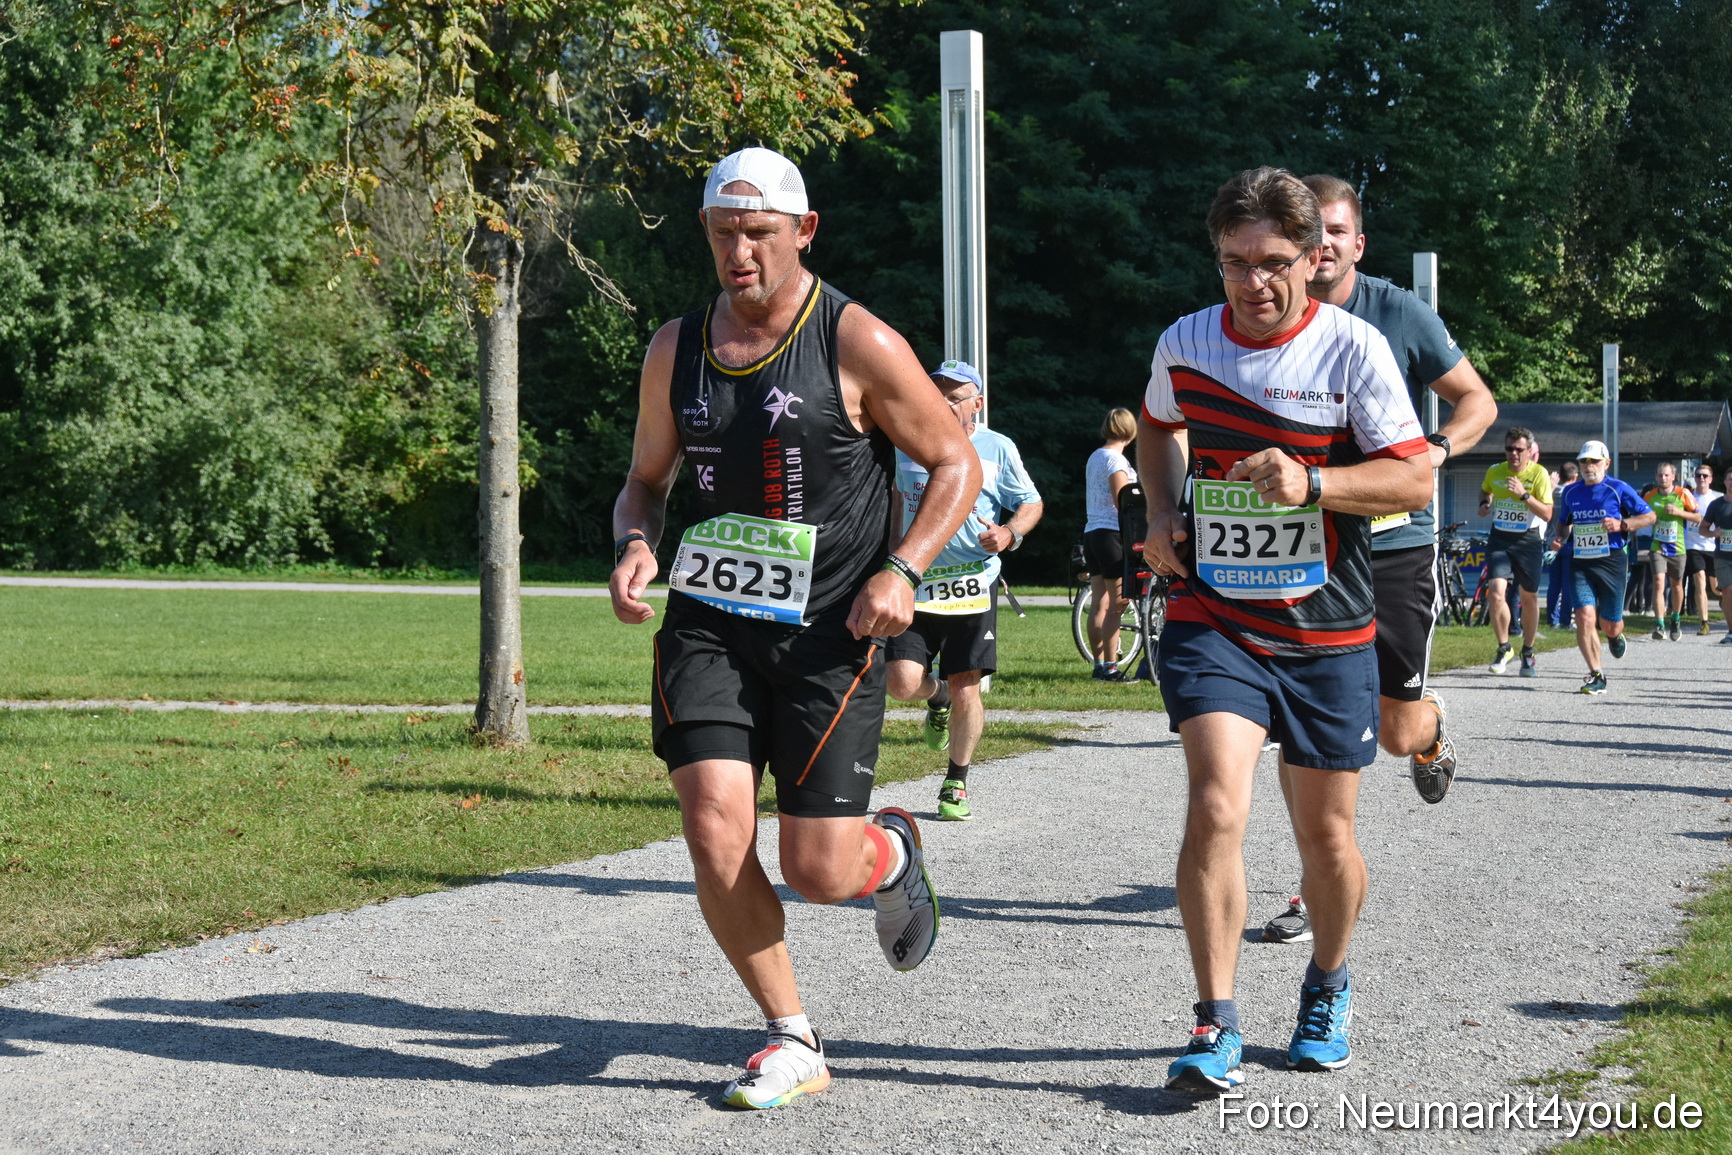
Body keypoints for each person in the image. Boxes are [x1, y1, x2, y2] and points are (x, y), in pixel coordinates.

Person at [608, 147, 982, 1110]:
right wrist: (635, 546)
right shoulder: (674, 347)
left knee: (818, 868)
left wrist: (904, 572)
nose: (740, 252)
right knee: (712, 823)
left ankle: (891, 851)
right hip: (709, 622)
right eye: (725, 232)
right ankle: (791, 1035)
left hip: (832, 630)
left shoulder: (856, 340)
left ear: (803, 232)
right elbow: (645, 483)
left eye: (760, 233)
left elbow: (954, 464)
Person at [1139, 167, 1432, 1093]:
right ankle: (1214, 1018)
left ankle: (1327, 983)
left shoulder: (1353, 351)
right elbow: (1157, 426)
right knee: (1217, 803)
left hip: (1327, 627)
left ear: (1313, 258)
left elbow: (1415, 477)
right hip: (1215, 613)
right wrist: (1157, 515)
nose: (1253, 283)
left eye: (1272, 263)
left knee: (1327, 840)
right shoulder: (1186, 341)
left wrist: (1318, 484)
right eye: (1234, 263)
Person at [886, 360, 1043, 821]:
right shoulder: (906, 440)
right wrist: (893, 554)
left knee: (967, 688)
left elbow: (1030, 502)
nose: (946, 402)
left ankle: (956, 780)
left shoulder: (997, 447)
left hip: (974, 583)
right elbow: (895, 499)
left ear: (978, 403)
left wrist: (1011, 534)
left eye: (957, 396)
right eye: (940, 393)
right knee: (901, 682)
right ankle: (933, 698)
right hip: (915, 580)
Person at [1548, 441, 1654, 693]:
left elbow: (1650, 516)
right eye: (1584, 461)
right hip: (1580, 562)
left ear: (1606, 463)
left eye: (1594, 461)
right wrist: (1560, 537)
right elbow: (1564, 523)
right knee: (1584, 616)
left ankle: (1615, 636)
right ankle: (1597, 674)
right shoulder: (1571, 493)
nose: (1588, 466)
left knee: (1610, 624)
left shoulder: (1619, 489)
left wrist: (1623, 525)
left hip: (1612, 561)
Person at [1477, 426, 1554, 676]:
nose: (1514, 454)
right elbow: (1486, 489)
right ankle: (1504, 647)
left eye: (1519, 449)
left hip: (1528, 541)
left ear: (1530, 451)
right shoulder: (1495, 471)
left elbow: (1547, 513)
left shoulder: (1539, 474)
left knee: (1528, 597)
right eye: (1509, 449)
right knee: (1496, 594)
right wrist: (1484, 503)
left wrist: (1523, 495)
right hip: (1500, 539)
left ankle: (1528, 652)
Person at [1083, 408, 1139, 680]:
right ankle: (1111, 666)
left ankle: (1098, 664)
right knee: (1118, 603)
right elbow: (1123, 502)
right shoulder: (1116, 461)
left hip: (1092, 532)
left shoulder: (1095, 456)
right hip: (1112, 534)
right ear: (1130, 431)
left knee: (1099, 603)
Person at [1643, 463, 1699, 640]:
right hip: (1657, 547)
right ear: (1656, 476)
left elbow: (1698, 517)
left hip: (1678, 548)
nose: (1663, 478)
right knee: (1659, 582)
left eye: (1666, 475)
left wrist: (1678, 512)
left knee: (1676, 586)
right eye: (1660, 475)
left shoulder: (1683, 494)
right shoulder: (1650, 496)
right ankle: (1659, 624)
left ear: (1673, 477)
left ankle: (1675, 619)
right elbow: (1641, 516)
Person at [1683, 463, 1720, 635]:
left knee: (1716, 588)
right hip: (1693, 546)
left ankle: (1725, 606)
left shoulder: (1716, 499)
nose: (1701, 478)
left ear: (1711, 479)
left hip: (1712, 547)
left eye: (1705, 476)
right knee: (1699, 581)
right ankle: (1704, 622)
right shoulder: (1686, 497)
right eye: (1698, 475)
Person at [1546, 461, 1580, 629]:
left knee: (1554, 584)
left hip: (1550, 542)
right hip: (1567, 541)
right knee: (1568, 584)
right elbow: (1571, 519)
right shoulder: (1572, 493)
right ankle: (1565, 621)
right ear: (1575, 477)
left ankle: (1552, 620)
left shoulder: (1551, 491)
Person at [1700, 467, 1732, 644]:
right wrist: (1713, 534)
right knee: (1727, 591)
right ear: (1725, 482)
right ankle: (1731, 631)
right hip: (1723, 556)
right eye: (1730, 479)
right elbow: (1702, 528)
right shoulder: (1717, 505)